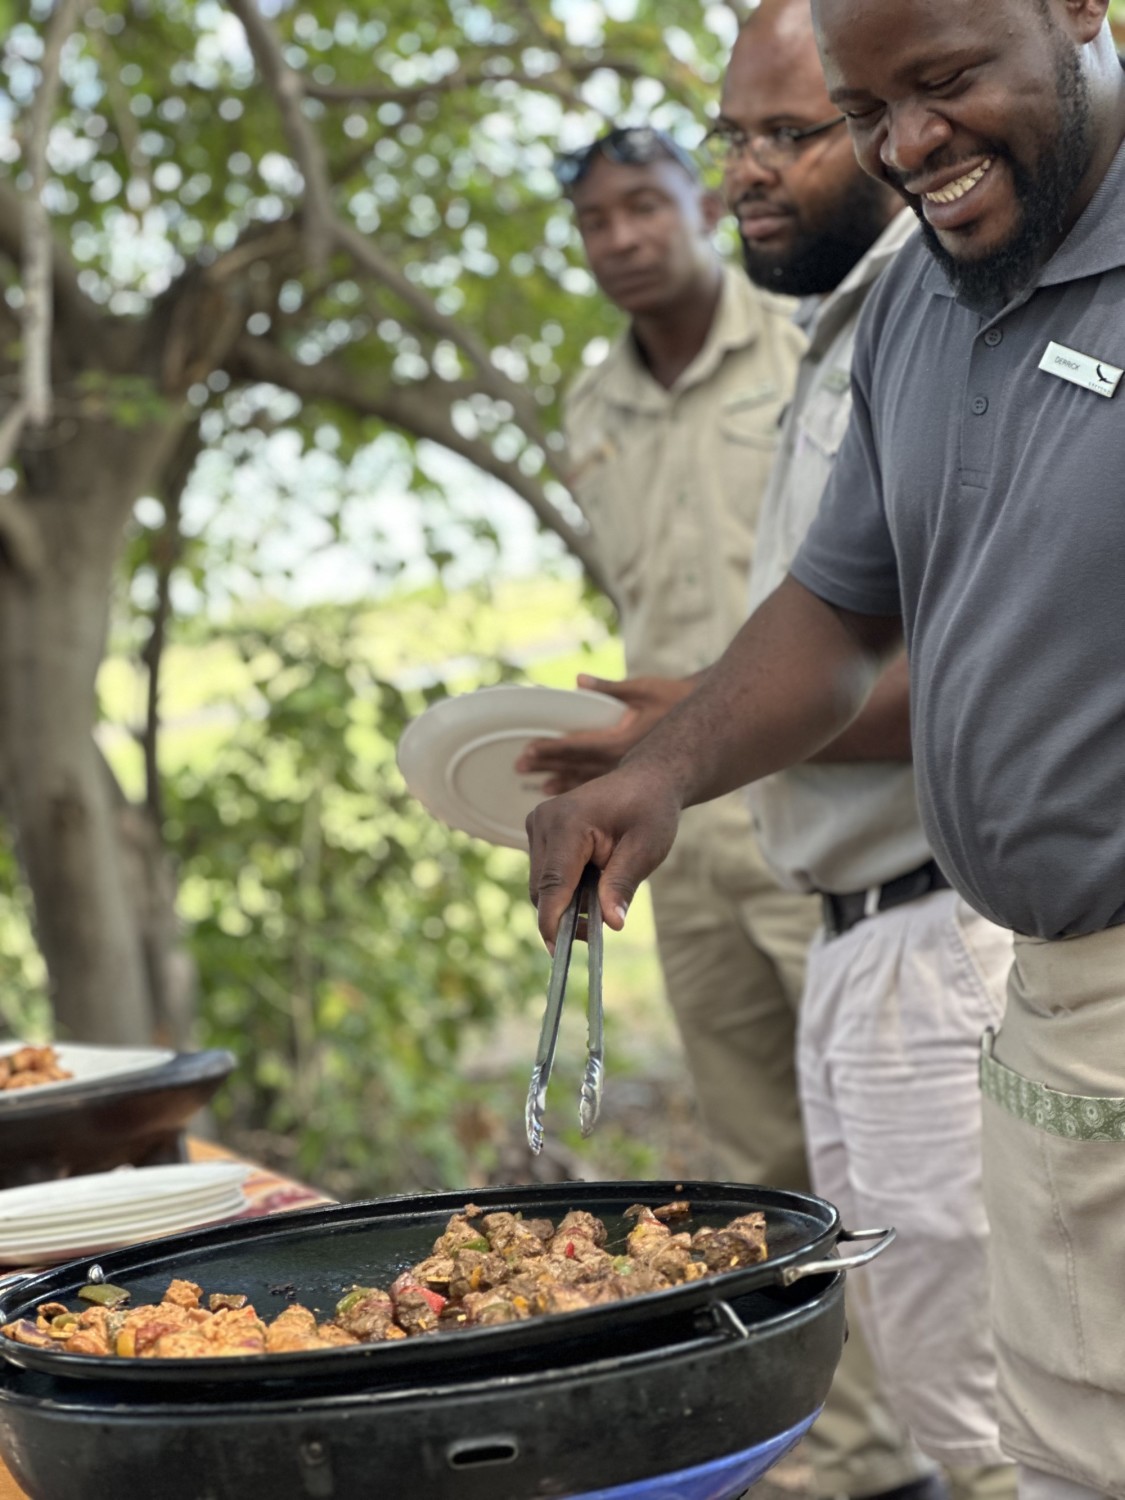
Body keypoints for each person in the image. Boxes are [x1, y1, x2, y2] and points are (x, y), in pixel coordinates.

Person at [526, 1, 1125, 1497]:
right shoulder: (921, 297)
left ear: (1075, 11)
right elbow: (835, 605)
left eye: (943, 83)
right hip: (1048, 990)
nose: (906, 144)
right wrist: (654, 773)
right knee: (1047, 1446)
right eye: (864, 109)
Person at [531, 123, 935, 1500]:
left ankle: (926, 1451)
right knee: (759, 1159)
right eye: (595, 222)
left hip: (838, 803)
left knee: (884, 1154)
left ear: (698, 207)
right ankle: (834, 1445)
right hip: (683, 828)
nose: (623, 239)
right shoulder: (593, 404)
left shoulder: (811, 348)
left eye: (646, 206)